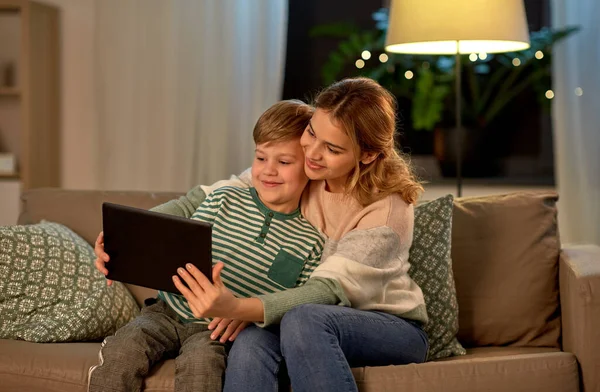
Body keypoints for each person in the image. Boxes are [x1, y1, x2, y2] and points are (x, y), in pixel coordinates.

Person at [171, 77, 429, 392]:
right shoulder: (303, 172)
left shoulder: (386, 211)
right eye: (311, 133)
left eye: (332, 148)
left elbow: (326, 292)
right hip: (305, 314)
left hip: (389, 327)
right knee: (251, 340)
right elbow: (198, 201)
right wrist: (123, 235)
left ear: (368, 155)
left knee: (304, 320)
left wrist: (240, 307)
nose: (313, 153)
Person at [88, 100, 330, 392]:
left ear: (310, 165)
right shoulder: (224, 198)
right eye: (261, 158)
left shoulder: (311, 240)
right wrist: (120, 242)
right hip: (167, 311)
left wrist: (248, 317)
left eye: (284, 162)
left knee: (203, 370)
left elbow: (291, 305)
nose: (268, 171)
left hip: (214, 331)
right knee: (122, 350)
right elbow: (173, 240)